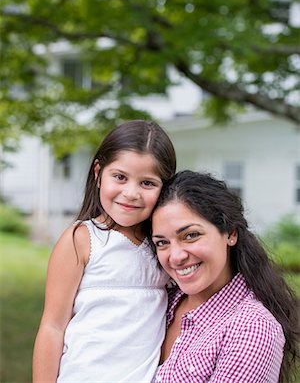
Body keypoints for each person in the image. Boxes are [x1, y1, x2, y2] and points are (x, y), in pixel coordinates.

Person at [32, 120, 176, 383]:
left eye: (147, 183)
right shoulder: (82, 239)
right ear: (98, 173)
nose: (131, 193)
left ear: (164, 188)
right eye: (120, 177)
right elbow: (52, 326)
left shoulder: (164, 246)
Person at [151, 170, 300, 383]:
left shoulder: (251, 328)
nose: (175, 257)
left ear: (230, 233)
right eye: (162, 242)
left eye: (191, 235)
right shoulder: (161, 300)